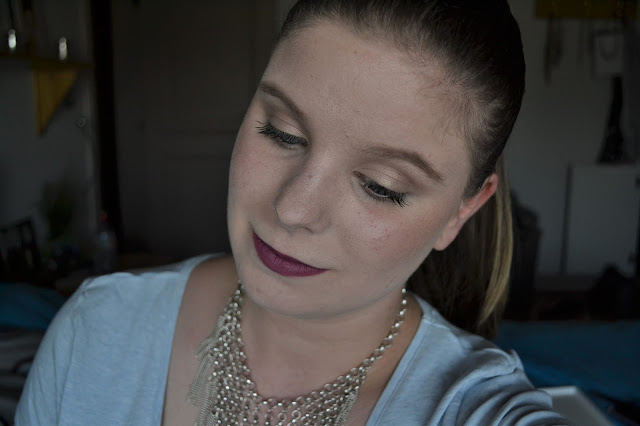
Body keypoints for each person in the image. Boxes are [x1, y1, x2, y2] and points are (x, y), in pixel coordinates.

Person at [16, 1, 570, 425]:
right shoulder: (95, 329)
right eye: (281, 132)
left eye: (381, 187)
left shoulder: (471, 407)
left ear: (461, 212)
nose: (292, 209)